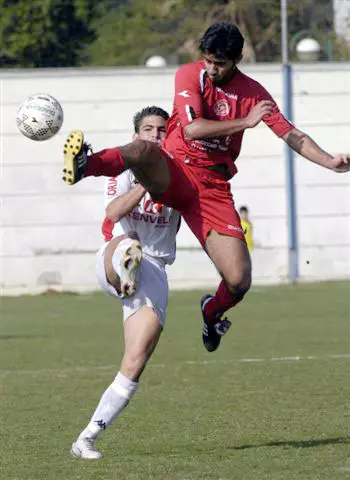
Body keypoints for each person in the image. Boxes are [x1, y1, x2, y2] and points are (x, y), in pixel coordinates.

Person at [62, 22, 350, 355]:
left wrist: (329, 160)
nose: (212, 69)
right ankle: (86, 164)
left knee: (239, 280)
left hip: (211, 189)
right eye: (209, 60)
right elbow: (193, 127)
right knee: (143, 150)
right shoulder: (189, 74)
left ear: (237, 59)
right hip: (175, 170)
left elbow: (290, 133)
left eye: (220, 64)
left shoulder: (253, 93)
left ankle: (212, 313)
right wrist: (245, 121)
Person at [71, 106, 181, 459]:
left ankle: (85, 438)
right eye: (148, 129)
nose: (155, 136)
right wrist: (146, 184)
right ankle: (126, 269)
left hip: (155, 271)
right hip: (114, 255)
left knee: (135, 361)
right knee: (128, 244)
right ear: (136, 137)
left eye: (162, 130)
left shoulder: (179, 172)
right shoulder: (128, 169)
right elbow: (113, 213)